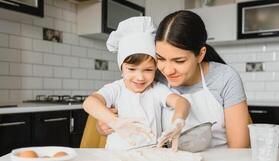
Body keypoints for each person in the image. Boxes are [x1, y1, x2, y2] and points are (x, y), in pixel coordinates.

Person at [97, 11, 250, 152]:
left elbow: (239, 149)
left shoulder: (225, 78)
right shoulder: (151, 77)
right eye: (161, 58)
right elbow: (127, 112)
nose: (168, 70)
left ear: (200, 54)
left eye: (179, 61)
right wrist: (105, 125)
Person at [83, 16, 190, 151]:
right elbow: (89, 102)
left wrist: (178, 121)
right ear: (121, 68)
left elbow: (182, 103)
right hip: (117, 157)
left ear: (156, 69)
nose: (140, 77)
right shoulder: (116, 89)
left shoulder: (156, 89)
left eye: (148, 70)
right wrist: (115, 122)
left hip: (152, 157)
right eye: (132, 69)